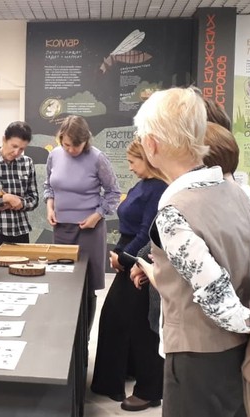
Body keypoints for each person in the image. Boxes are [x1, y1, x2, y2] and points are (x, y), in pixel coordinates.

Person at [130, 87, 250, 417]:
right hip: (240, 356)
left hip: (199, 361)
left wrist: (247, 322)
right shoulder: (235, 194)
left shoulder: (175, 211)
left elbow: (216, 296)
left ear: (152, 145)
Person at [91, 139, 166, 411]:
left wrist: (124, 257)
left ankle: (149, 389)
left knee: (141, 327)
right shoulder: (143, 184)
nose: (130, 167)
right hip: (129, 254)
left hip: (138, 259)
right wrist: (120, 254)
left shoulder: (158, 188)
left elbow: (147, 231)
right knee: (120, 320)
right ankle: (122, 376)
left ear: (148, 160)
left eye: (133, 162)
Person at [44, 115, 121, 338]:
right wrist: (50, 206)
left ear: (86, 141)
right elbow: (49, 186)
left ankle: (82, 340)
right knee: (63, 282)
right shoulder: (54, 155)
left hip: (89, 230)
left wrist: (97, 215)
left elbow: (114, 192)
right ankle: (63, 334)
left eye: (75, 146)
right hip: (61, 229)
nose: (70, 150)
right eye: (66, 144)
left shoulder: (98, 158)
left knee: (86, 286)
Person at [0, 121, 40, 265]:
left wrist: (20, 203)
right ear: (4, 139)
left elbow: (34, 199)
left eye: (21, 149)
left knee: (21, 272)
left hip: (20, 231)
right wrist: (4, 199)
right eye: (14, 146)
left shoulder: (27, 163)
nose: (16, 152)